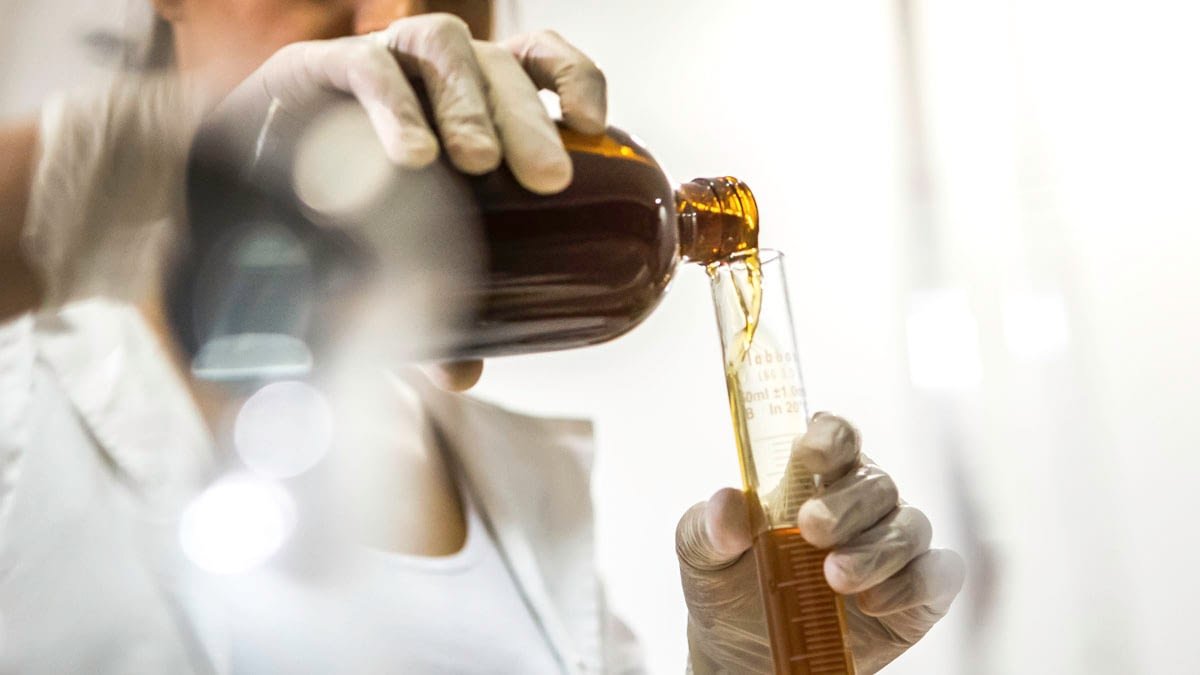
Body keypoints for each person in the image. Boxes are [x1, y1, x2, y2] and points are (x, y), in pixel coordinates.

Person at [0, 1, 964, 672]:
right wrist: (193, 163)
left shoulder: (517, 489)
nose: (394, 19)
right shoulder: (24, 385)